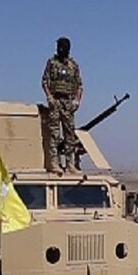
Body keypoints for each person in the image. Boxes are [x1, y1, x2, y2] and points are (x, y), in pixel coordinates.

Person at [42, 36, 83, 174]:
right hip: (55, 102)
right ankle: (54, 163)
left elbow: (79, 86)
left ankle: (70, 164)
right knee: (54, 134)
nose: (60, 49)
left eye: (63, 47)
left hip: (68, 103)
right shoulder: (52, 63)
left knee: (69, 135)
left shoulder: (73, 65)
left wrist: (77, 101)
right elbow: (44, 82)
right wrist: (49, 97)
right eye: (59, 46)